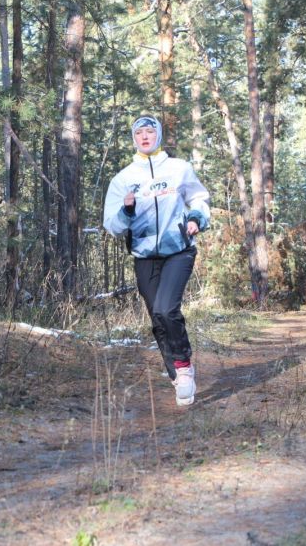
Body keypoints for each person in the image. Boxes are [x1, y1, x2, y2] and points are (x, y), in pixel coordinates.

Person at [103, 116, 210, 406]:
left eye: (151, 131)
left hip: (179, 250)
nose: (145, 136)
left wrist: (197, 218)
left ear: (159, 135)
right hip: (145, 256)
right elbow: (111, 225)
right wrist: (126, 210)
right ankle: (175, 372)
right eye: (140, 132)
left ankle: (184, 367)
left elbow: (199, 198)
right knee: (157, 317)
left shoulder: (178, 169)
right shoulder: (123, 179)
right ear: (133, 138)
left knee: (166, 308)